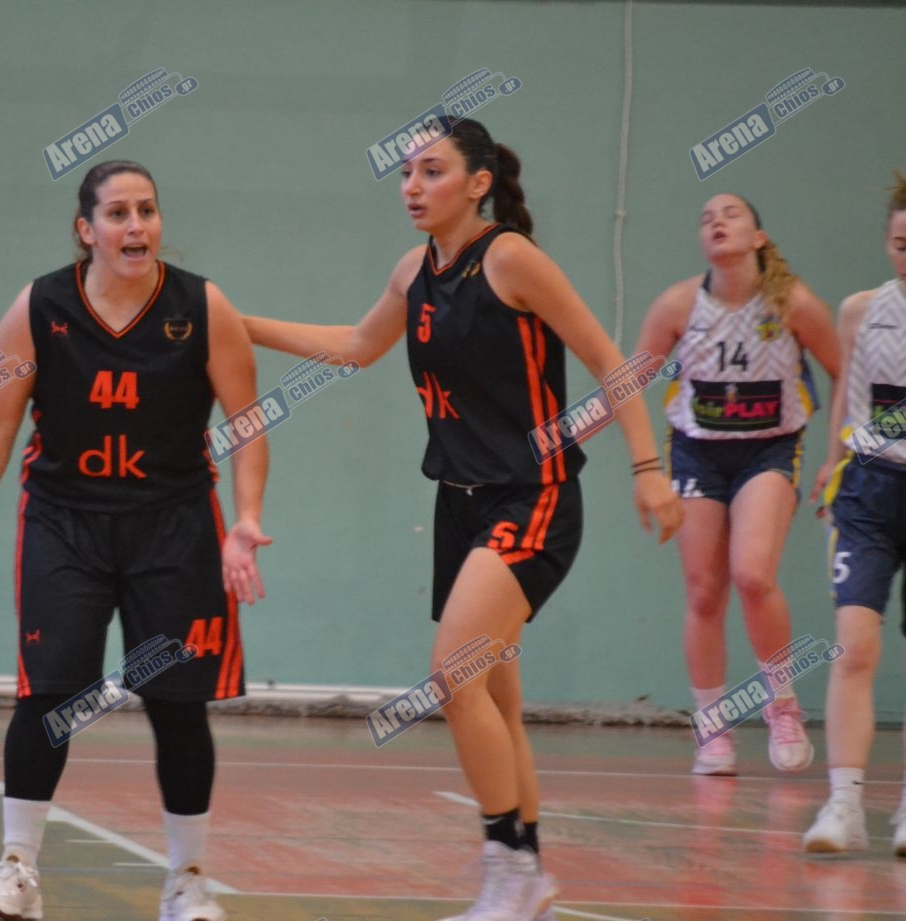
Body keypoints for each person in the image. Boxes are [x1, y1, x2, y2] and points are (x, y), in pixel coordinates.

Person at [242, 119, 682, 921]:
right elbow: (356, 345)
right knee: (495, 701)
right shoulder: (413, 270)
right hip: (459, 502)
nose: (412, 186)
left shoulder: (510, 258)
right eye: (406, 172)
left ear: (478, 183)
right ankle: (527, 875)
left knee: (452, 673)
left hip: (532, 496)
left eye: (432, 170)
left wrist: (649, 469)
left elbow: (610, 360)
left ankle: (505, 866)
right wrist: (238, 324)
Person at [0, 159, 272, 921]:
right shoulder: (40, 305)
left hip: (174, 524)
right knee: (49, 694)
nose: (136, 225)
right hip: (64, 521)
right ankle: (16, 873)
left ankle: (187, 881)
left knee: (177, 703)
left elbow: (247, 421)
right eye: (118, 213)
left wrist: (247, 517)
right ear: (87, 230)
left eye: (147, 210)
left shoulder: (202, 306)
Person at [634, 194, 840, 776]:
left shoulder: (793, 303)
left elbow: (844, 369)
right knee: (704, 592)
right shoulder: (678, 304)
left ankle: (782, 704)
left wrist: (836, 455)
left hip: (769, 448)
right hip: (697, 450)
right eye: (706, 218)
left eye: (730, 215)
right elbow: (628, 381)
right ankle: (712, 726)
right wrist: (642, 468)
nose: (716, 222)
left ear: (758, 237)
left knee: (752, 575)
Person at [802, 171, 906, 855]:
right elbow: (850, 391)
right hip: (869, 488)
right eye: (901, 244)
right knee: (854, 645)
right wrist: (831, 460)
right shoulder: (861, 310)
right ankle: (844, 803)